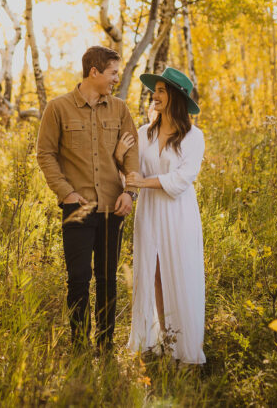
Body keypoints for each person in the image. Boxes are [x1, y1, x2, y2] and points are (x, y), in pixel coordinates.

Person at [36, 45, 140, 353]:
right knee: (78, 280)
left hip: (113, 207)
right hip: (77, 209)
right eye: (112, 73)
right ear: (93, 72)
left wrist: (130, 192)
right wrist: (66, 192)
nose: (115, 79)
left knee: (108, 279)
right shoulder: (58, 108)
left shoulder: (120, 109)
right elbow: (46, 154)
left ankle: (105, 346)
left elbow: (132, 154)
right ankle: (79, 346)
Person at [124, 66, 206, 365]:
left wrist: (141, 183)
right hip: (149, 211)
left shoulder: (194, 137)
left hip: (178, 213)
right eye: (154, 90)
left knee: (179, 272)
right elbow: (133, 169)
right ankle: (160, 339)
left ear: (175, 96)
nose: (154, 95)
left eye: (160, 90)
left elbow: (183, 178)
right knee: (153, 272)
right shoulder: (145, 132)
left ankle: (184, 347)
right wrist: (124, 161)